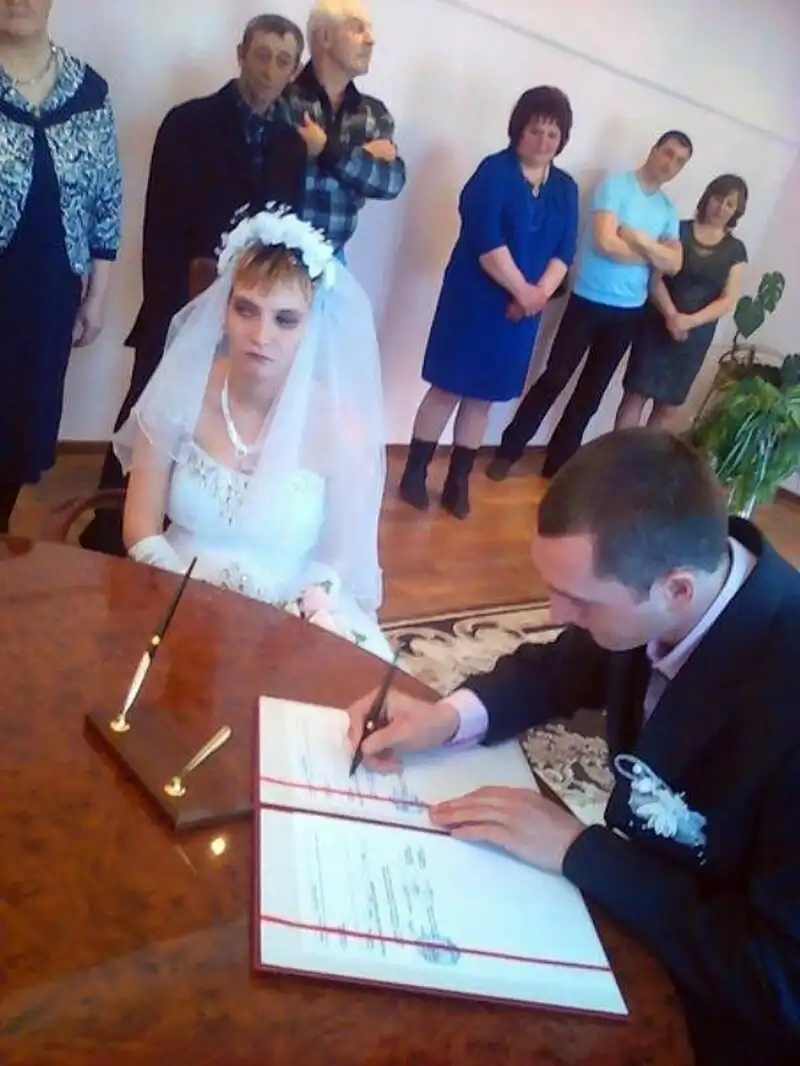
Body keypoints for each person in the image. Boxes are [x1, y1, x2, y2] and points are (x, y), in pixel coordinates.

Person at [346, 428, 800, 1066]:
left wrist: (581, 850)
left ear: (675, 590)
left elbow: (776, 979)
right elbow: (560, 669)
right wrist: (445, 718)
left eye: (580, 601)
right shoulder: (663, 582)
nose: (557, 614)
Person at [114, 207, 392, 662]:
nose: (261, 335)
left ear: (313, 323)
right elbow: (140, 528)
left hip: (285, 617)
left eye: (285, 319)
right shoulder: (180, 392)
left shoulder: (342, 426)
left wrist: (296, 611)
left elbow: (337, 555)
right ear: (223, 310)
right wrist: (190, 606)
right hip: (174, 594)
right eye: (246, 310)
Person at [80, 13, 308, 556]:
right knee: (149, 412)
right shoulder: (187, 123)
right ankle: (111, 531)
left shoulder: (290, 146)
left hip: (247, 313)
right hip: (179, 300)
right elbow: (159, 225)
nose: (269, 69)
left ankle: (188, 524)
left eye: (283, 60)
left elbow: (285, 241)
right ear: (240, 54)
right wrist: (170, 309)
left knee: (212, 423)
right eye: (261, 54)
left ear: (294, 70)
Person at [398, 87, 579, 520]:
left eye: (553, 134)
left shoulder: (565, 188)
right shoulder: (493, 172)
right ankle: (414, 473)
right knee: (448, 388)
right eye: (535, 130)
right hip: (474, 301)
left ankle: (458, 481)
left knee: (484, 398)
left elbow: (564, 248)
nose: (543, 141)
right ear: (518, 129)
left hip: (523, 311)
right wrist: (525, 293)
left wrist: (538, 296)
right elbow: (485, 240)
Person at [486, 131, 692, 483]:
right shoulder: (615, 187)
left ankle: (557, 465)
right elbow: (605, 242)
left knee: (591, 392)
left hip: (629, 312)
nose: (670, 163)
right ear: (654, 149)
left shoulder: (667, 211)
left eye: (679, 161)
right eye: (667, 153)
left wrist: (635, 237)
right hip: (588, 300)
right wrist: (653, 254)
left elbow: (674, 265)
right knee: (555, 377)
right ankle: (508, 451)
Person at [0, 0, 121, 533]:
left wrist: (98, 295)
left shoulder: (86, 91)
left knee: (23, 426)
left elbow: (107, 196)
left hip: (49, 292)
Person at [615, 174, 749, 430]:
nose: (721, 208)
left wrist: (688, 321)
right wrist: (671, 316)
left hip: (694, 338)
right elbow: (654, 278)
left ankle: (648, 457)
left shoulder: (736, 250)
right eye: (718, 199)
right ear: (708, 197)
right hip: (656, 324)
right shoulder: (676, 229)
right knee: (635, 395)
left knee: (667, 408)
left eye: (730, 204)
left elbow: (726, 300)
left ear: (736, 211)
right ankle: (620, 454)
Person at [281, 0, 406, 255]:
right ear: (325, 37)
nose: (370, 40)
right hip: (274, 253)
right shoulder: (284, 98)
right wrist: (361, 158)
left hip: (331, 258)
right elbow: (277, 177)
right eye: (357, 29)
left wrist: (326, 150)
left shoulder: (373, 112)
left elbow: (391, 182)